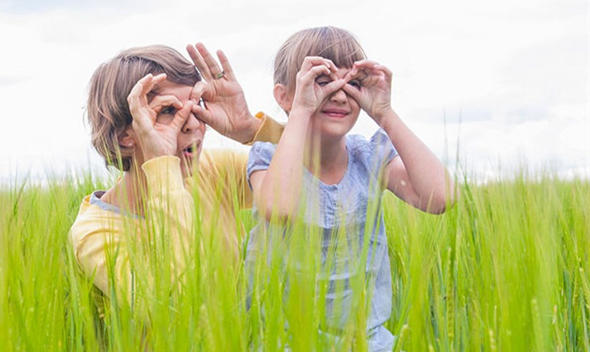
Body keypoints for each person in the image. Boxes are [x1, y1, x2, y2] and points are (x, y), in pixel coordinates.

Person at [245, 26, 453, 351]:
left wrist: (384, 113)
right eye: (322, 80)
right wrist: (300, 110)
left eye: (352, 83)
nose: (341, 94)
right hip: (284, 342)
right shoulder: (269, 156)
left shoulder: (369, 157)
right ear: (284, 95)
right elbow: (280, 208)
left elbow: (440, 197)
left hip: (366, 342)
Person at [69, 43, 283, 320]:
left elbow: (319, 178)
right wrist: (161, 165)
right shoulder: (94, 234)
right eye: (169, 110)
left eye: (198, 106)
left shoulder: (211, 171)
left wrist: (250, 128)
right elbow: (177, 305)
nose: (193, 123)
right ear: (126, 135)